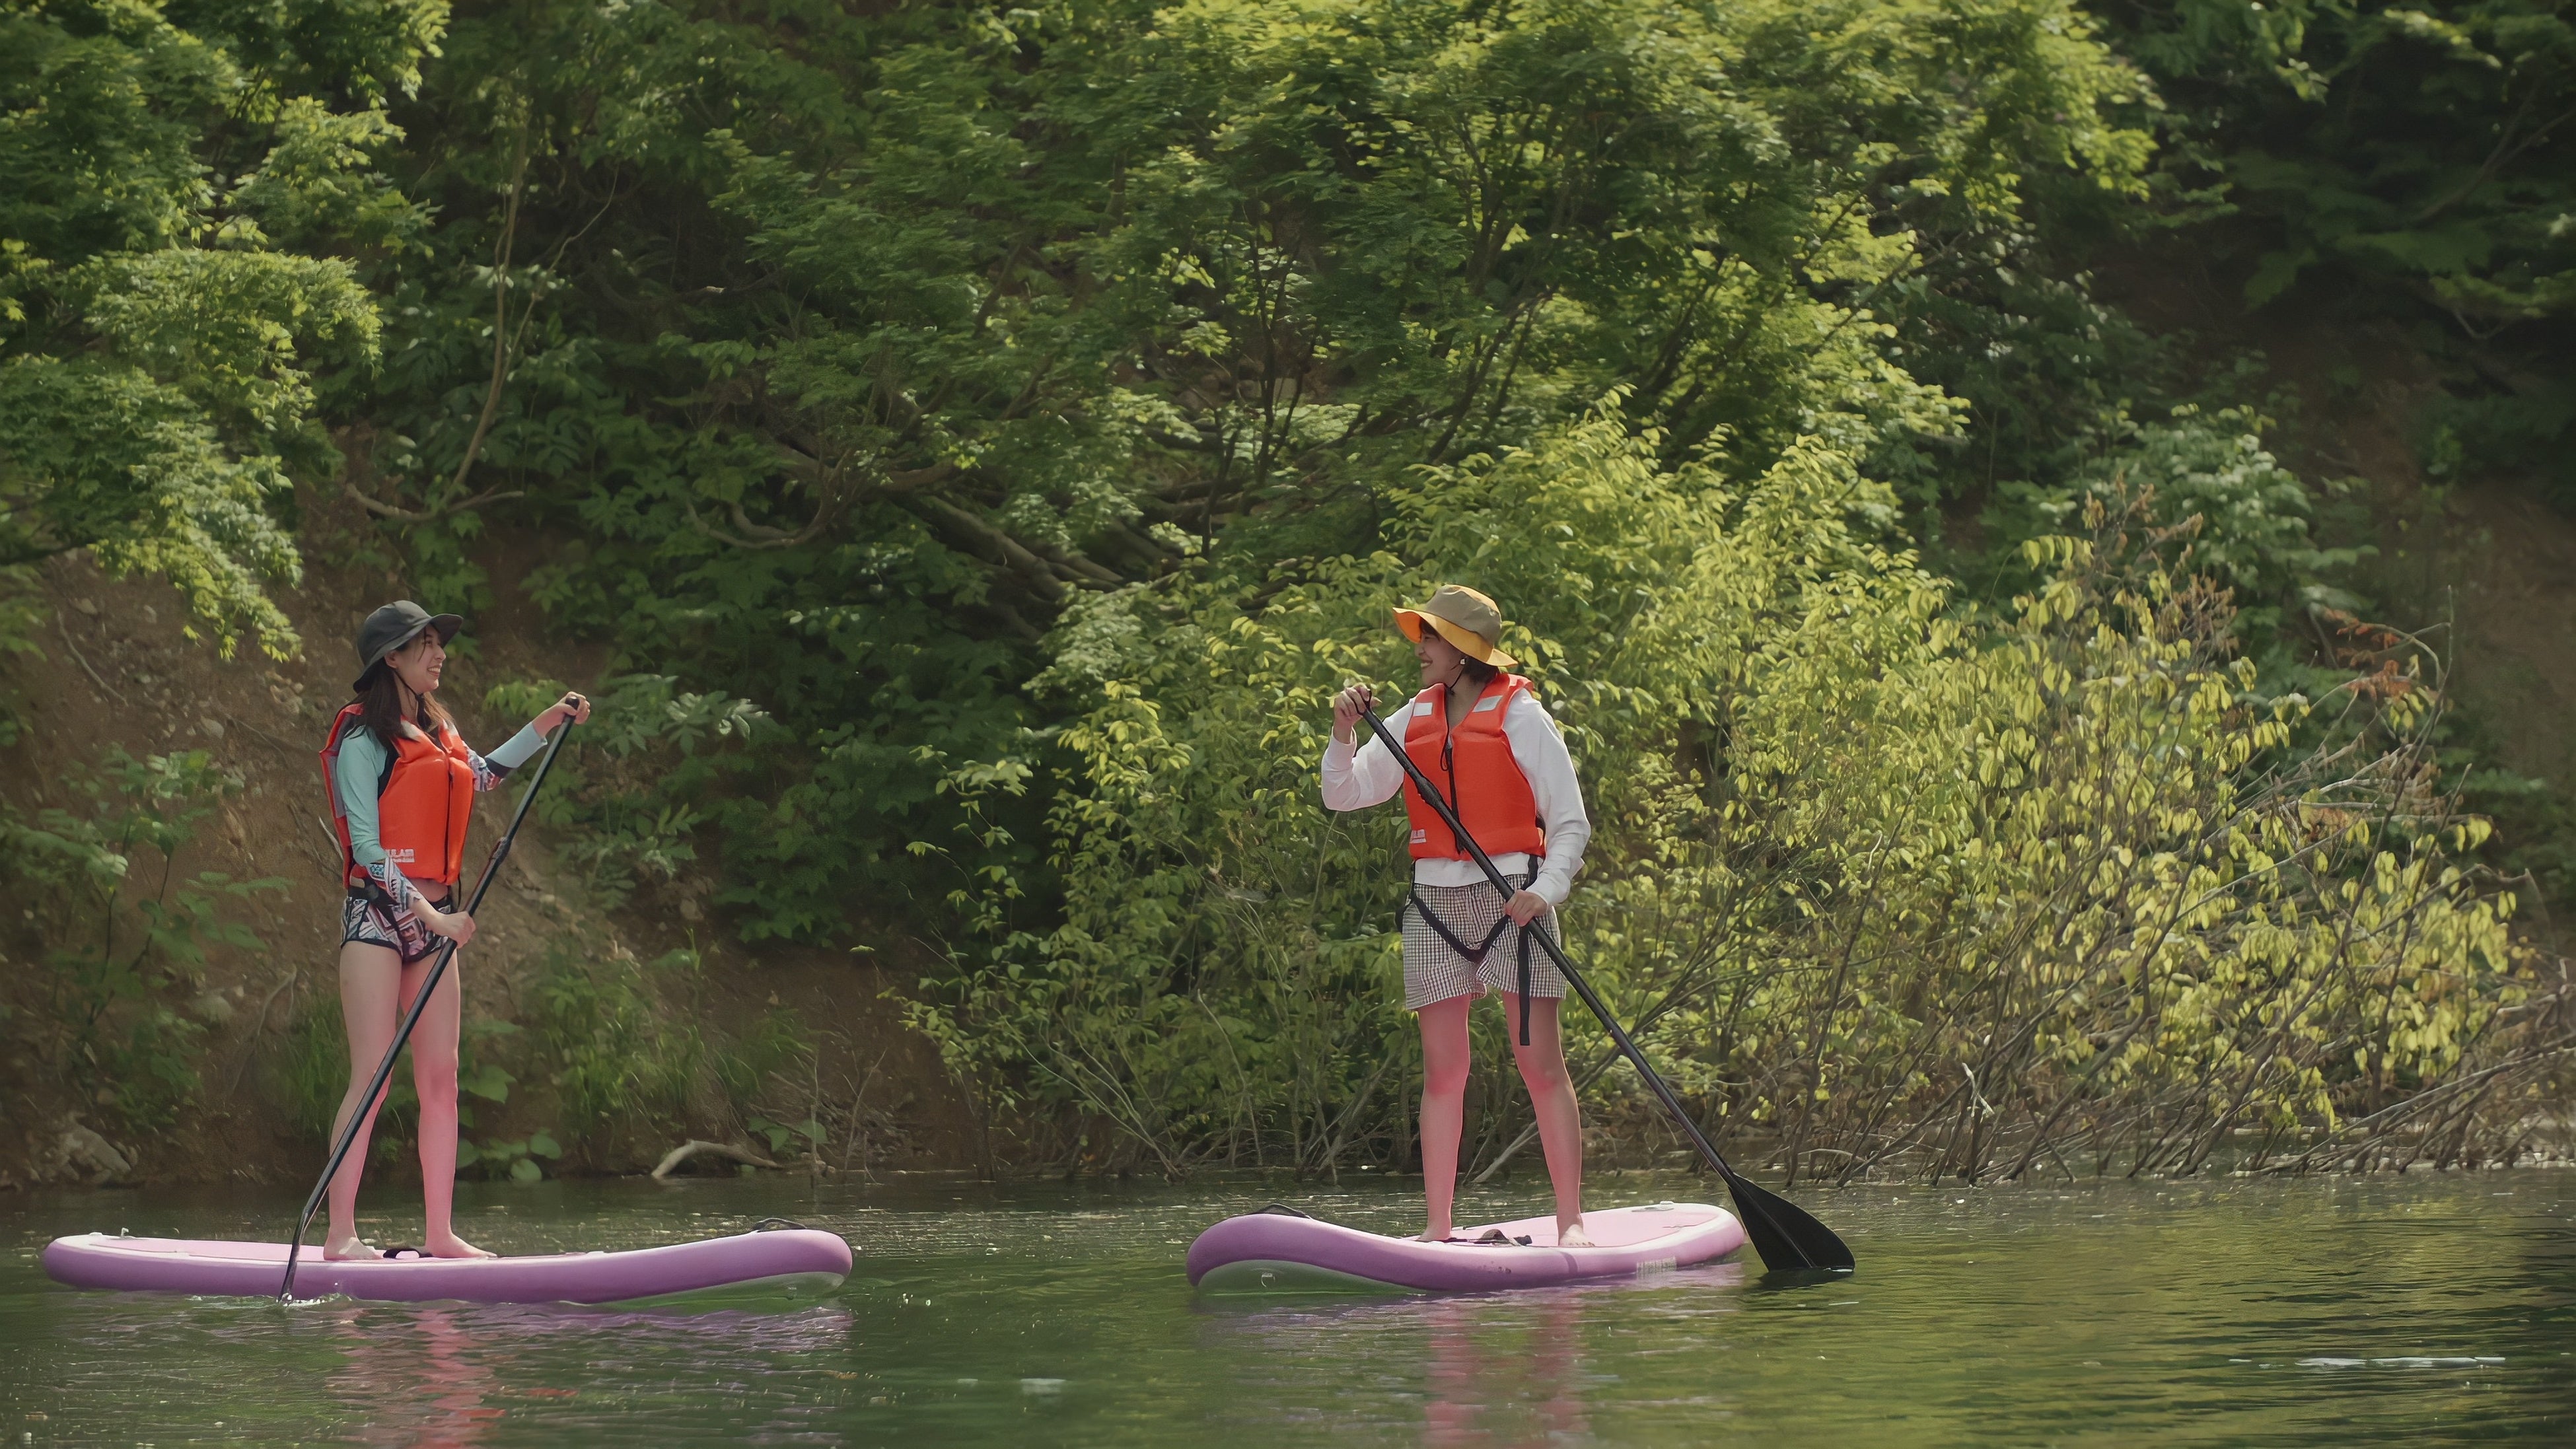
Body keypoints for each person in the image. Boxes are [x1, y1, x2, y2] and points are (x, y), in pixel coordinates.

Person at [316, 601, 589, 1260]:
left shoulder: (440, 730)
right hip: (378, 918)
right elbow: (367, 842)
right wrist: (430, 914)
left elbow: (484, 775)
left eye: (440, 644)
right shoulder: (361, 737)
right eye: (426, 645)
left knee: (443, 1078)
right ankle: (338, 1235)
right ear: (393, 658)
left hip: (435, 924)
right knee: (374, 1078)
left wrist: (549, 722)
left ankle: (440, 1234)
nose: (440, 655)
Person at [1323, 585, 1595, 1246]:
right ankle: (1438, 1229)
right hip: (1435, 904)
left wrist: (1547, 889)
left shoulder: (1523, 715)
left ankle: (1572, 1222)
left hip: (1515, 900)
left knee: (1541, 1067)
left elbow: (1569, 823)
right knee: (1444, 1072)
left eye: (1434, 638)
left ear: (1466, 651)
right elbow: (1344, 792)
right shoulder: (1414, 714)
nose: (1421, 647)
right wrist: (1342, 732)